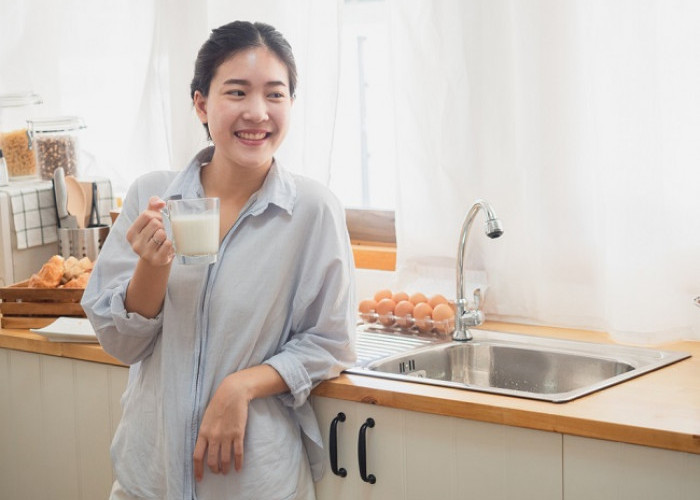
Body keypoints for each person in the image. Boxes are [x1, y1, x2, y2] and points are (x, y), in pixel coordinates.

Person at [82, 20, 356, 500]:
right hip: (149, 478)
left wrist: (242, 386)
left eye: (275, 94)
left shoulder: (313, 211)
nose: (257, 112)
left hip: (253, 481)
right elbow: (121, 345)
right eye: (237, 92)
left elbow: (330, 341)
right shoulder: (153, 195)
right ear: (202, 104)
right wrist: (153, 266)